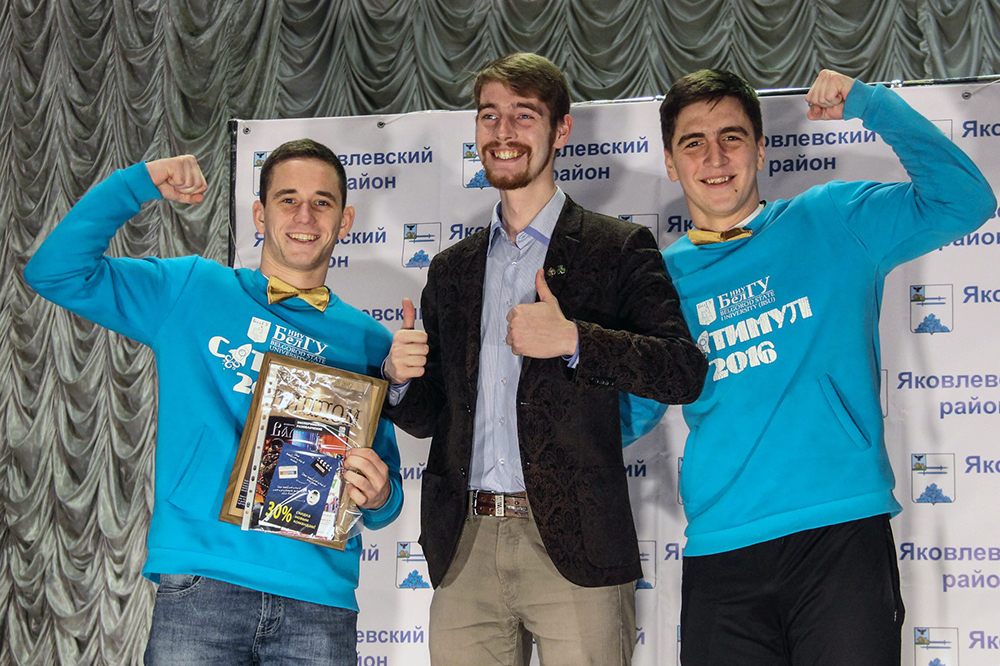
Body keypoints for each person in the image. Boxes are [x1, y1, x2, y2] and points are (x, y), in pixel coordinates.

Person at [622, 69, 997, 665]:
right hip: (721, 549)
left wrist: (872, 104)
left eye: (732, 137)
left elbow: (966, 200)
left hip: (840, 533)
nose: (714, 157)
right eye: (693, 142)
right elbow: (630, 413)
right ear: (670, 162)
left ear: (760, 149)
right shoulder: (657, 282)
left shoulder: (833, 218)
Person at [24, 139, 404, 665]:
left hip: (319, 601)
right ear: (259, 213)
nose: (304, 216)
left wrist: (379, 495)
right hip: (202, 584)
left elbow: (387, 496)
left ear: (345, 221)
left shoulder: (370, 342)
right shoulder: (192, 288)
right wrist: (136, 183)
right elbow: (54, 272)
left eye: (322, 202)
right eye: (287, 199)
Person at [383, 52, 707, 666]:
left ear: (561, 130)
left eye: (523, 115)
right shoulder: (451, 269)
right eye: (489, 115)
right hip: (465, 548)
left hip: (576, 548)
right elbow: (431, 418)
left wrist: (575, 340)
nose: (503, 132)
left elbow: (681, 370)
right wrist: (399, 382)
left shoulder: (618, 247)